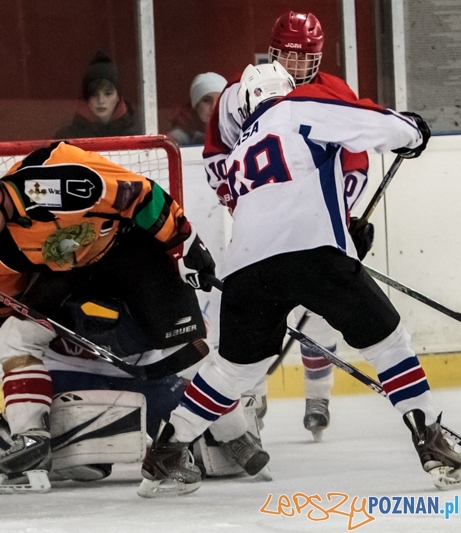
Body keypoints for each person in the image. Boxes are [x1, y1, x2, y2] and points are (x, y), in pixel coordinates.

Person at [141, 61, 461, 497]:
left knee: (234, 371)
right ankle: (431, 440)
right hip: (313, 254)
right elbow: (366, 123)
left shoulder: (237, 152)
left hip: (246, 272)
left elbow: (270, 203)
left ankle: (167, 451)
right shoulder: (298, 107)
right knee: (388, 342)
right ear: (285, 89)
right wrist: (413, 131)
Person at [0, 143, 224, 492]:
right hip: (70, 273)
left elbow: (140, 195)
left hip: (127, 247)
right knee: (14, 334)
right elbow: (3, 304)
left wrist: (182, 242)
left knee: (188, 343)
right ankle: (31, 440)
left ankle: (232, 433)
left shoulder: (58, 182)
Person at [204, 11, 372, 440]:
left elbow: (354, 161)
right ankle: (251, 397)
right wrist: (244, 209)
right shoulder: (240, 94)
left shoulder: (334, 93)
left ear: (319, 56)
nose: (296, 68)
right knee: (246, 318)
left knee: (319, 312)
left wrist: (345, 220)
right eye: (288, 58)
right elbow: (215, 156)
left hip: (316, 230)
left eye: (305, 59)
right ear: (273, 52)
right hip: (261, 234)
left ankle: (317, 396)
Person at [54, 52, 140, 139]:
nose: (101, 101)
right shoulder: (66, 138)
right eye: (94, 94)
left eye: (108, 94)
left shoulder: (138, 134)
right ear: (86, 98)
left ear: (118, 97)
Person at [167, 72, 227, 145]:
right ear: (196, 105)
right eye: (206, 100)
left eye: (219, 100)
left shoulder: (234, 134)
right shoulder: (180, 137)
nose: (214, 107)